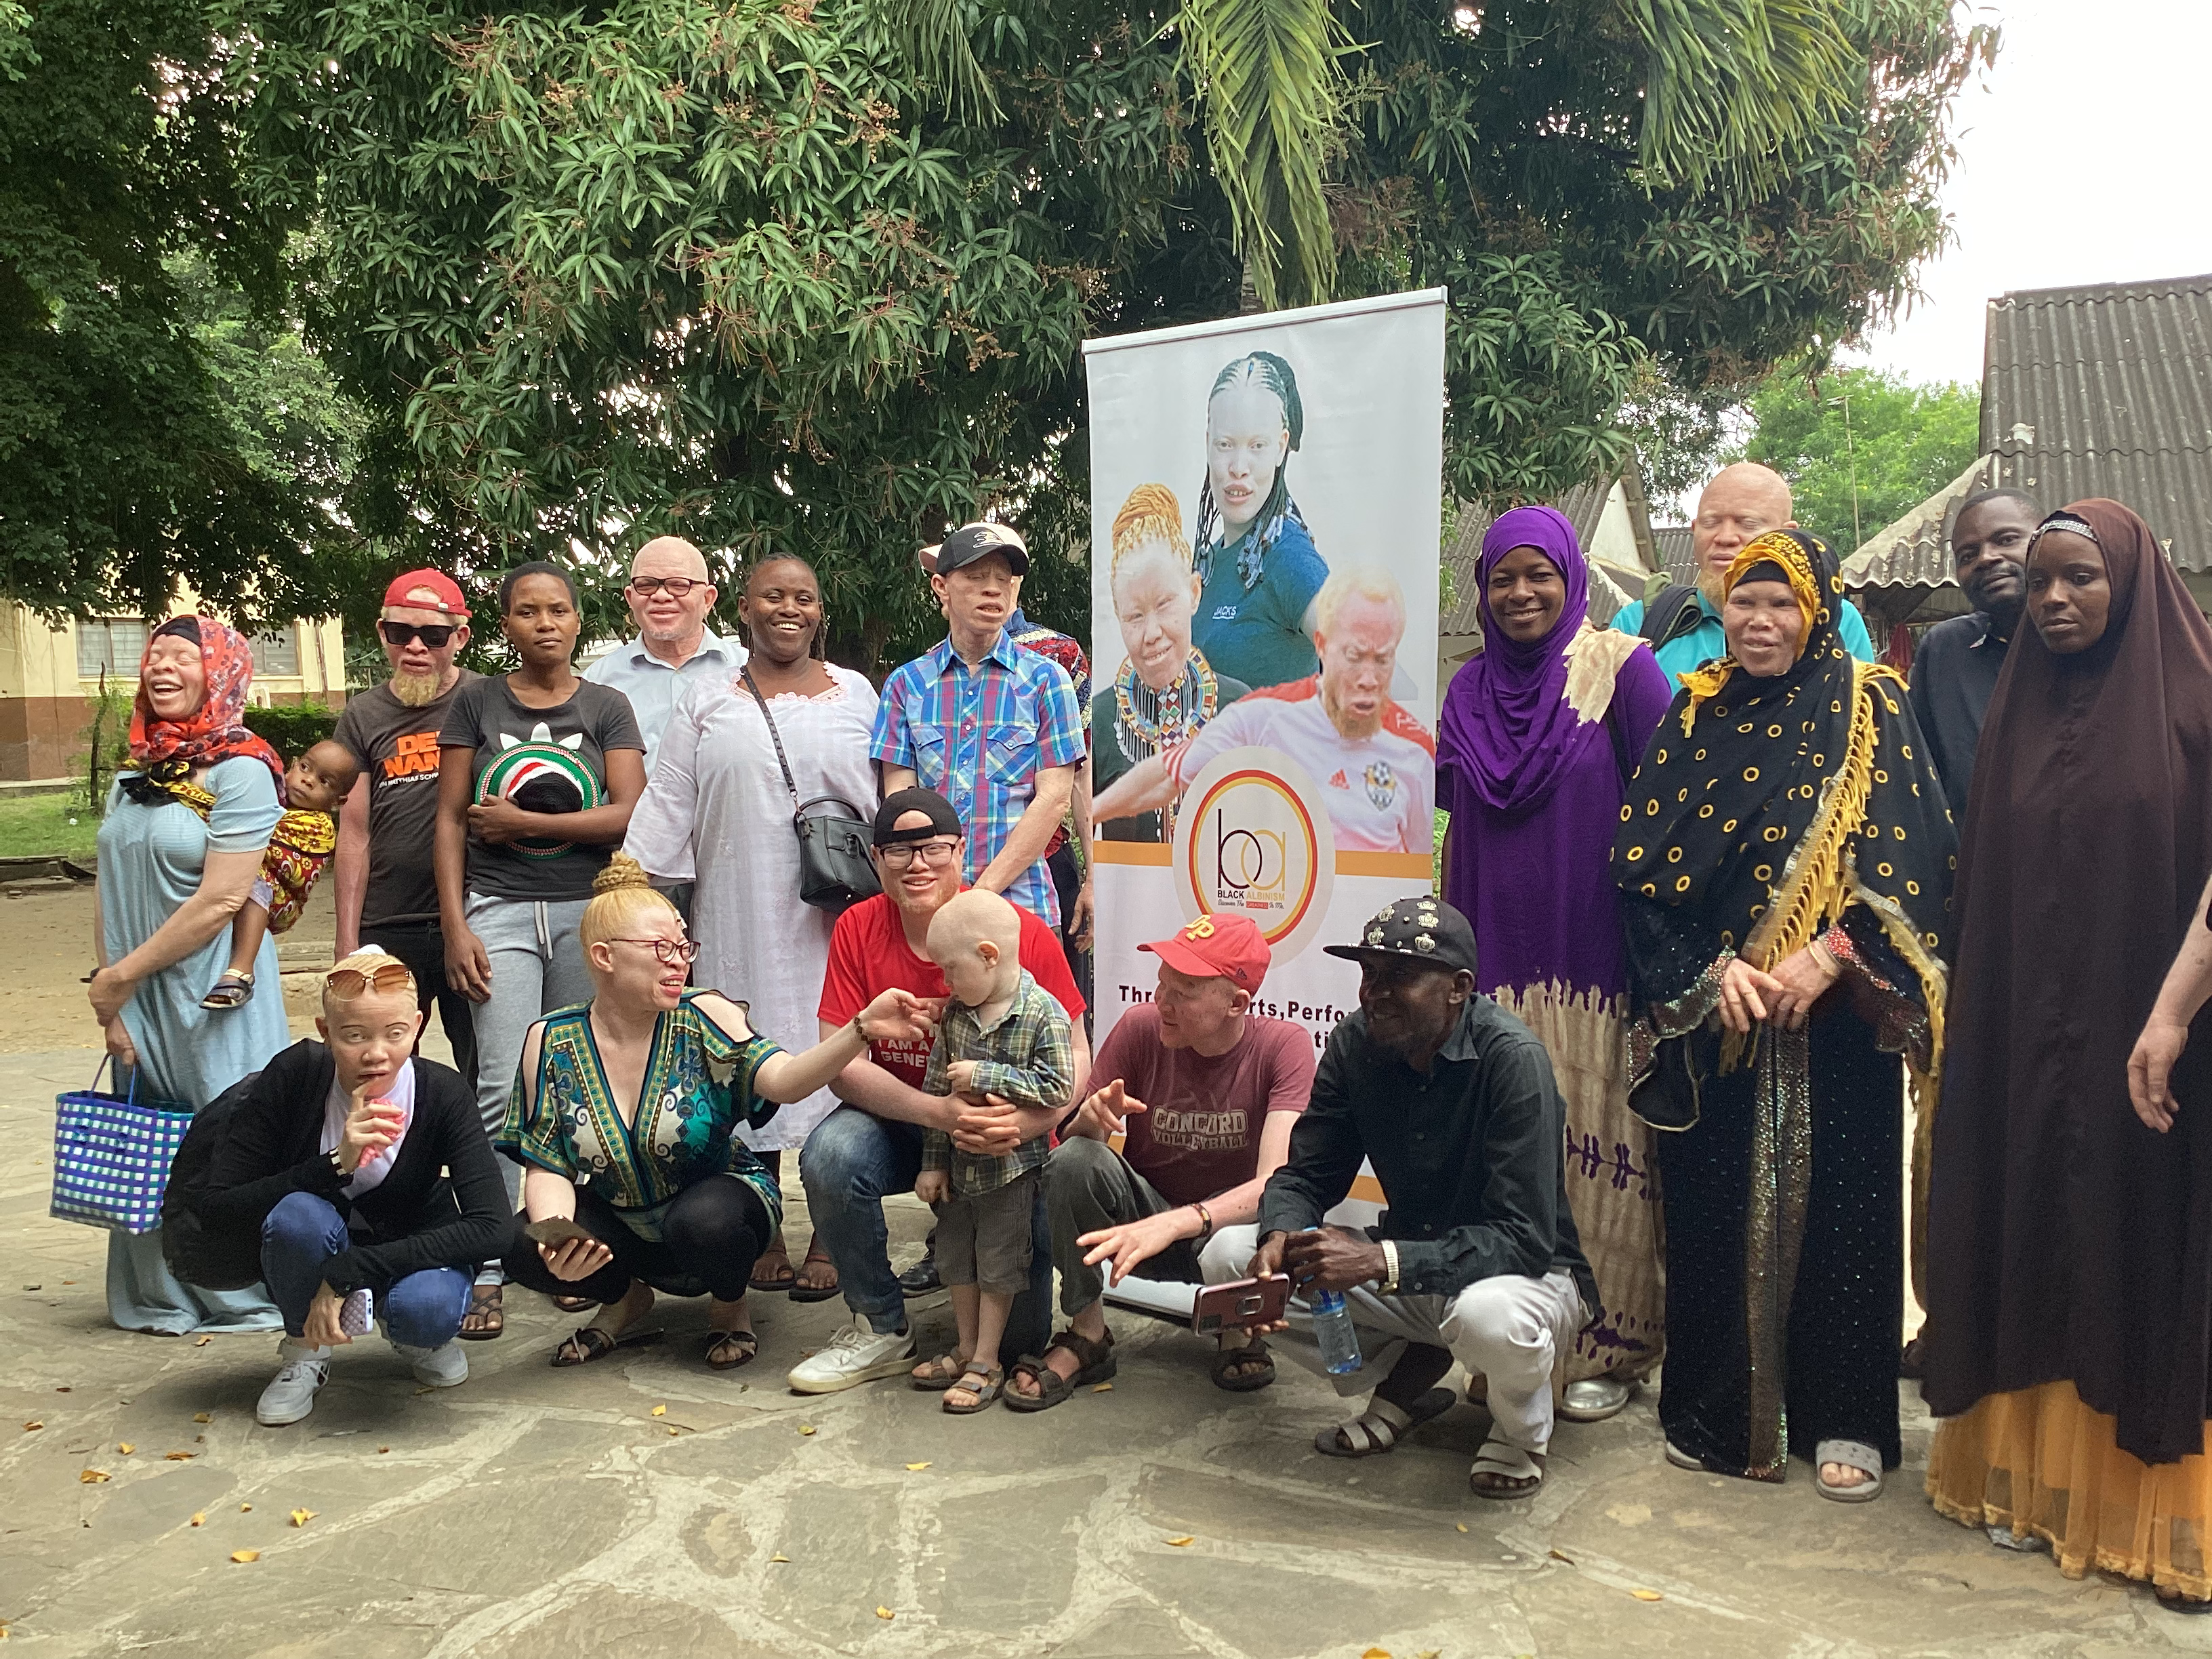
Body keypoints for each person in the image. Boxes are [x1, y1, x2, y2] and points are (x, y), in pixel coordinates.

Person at [1612, 528, 1953, 1501]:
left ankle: (1845, 1416)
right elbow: (1643, 877)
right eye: (1744, 603)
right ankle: (1717, 1414)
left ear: (1817, 612)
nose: (1761, 623)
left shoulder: (1868, 705)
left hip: (1836, 1019)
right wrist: (1713, 971)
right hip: (1724, 1018)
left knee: (1846, 1218)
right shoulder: (1695, 715)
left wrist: (1832, 955)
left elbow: (1916, 860)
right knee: (1713, 1217)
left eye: (1783, 605)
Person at [1923, 501, 2212, 1610]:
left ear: (2130, 580)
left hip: (2162, 1039)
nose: (2050, 597)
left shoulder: (2191, 698)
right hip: (2028, 1033)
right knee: (2037, 1218)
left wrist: (2175, 1007)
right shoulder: (2015, 711)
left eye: (2077, 577)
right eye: (2038, 580)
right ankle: (2032, 1488)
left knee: (2138, 1236)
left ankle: (2158, 1509)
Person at [1206, 897, 1599, 1497]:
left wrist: (1381, 1261)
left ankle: (1522, 1434)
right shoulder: (1357, 1044)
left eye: (1400, 976)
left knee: (1486, 1318)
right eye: (1369, 975)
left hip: (1530, 1279)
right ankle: (1406, 1378)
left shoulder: (1511, 1060)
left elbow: (1524, 1239)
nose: (1375, 993)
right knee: (1231, 1257)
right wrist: (1278, 1235)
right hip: (1417, 1269)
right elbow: (1308, 1172)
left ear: (1458, 989)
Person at [497, 857, 933, 1368]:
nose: (679, 962)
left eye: (684, 946)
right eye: (661, 949)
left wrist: (859, 1029)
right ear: (604, 956)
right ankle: (623, 1301)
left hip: (717, 1207)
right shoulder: (551, 1039)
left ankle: (730, 1307)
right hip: (621, 1219)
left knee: (706, 1221)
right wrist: (558, 1238)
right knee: (518, 1240)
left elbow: (787, 1082)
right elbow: (544, 1160)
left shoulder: (705, 1015)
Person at [1436, 505, 1673, 1423]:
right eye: (1504, 579)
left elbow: (1669, 817)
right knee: (1506, 1158)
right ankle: (1510, 1343)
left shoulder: (1624, 670)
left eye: (1540, 575)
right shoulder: (1468, 692)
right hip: (1494, 960)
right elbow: (1444, 801)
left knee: (1602, 1153)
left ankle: (1612, 1347)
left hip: (1593, 962)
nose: (1523, 593)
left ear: (1572, 578)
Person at [623, 552, 878, 1305]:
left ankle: (831, 1229)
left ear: (820, 611)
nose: (789, 608)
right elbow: (668, 806)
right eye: (774, 596)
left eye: (805, 596)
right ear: (743, 608)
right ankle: (763, 1224)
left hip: (837, 919)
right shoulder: (707, 700)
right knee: (740, 1053)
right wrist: (629, 896)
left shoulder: (857, 695)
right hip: (732, 915)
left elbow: (887, 798)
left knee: (833, 1050)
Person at [791, 789, 1091, 1394]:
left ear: (960, 851)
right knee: (830, 1155)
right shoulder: (858, 927)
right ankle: (879, 1324)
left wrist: (1028, 1126)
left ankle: (979, 1346)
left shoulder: (1015, 931)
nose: (918, 864)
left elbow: (1078, 1054)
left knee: (1019, 1341)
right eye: (899, 851)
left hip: (1006, 1141)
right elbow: (841, 1063)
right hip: (905, 1123)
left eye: (932, 848)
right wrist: (941, 1115)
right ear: (876, 861)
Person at [436, 560, 647, 1338]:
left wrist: (526, 825)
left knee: (571, 1085)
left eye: (559, 609)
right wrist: (456, 924)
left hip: (582, 916)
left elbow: (627, 814)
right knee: (499, 1081)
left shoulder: (607, 706)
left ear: (578, 620)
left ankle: (567, 1251)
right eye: (528, 612)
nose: (545, 623)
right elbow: (451, 818)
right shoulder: (475, 700)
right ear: (507, 625)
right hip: (494, 910)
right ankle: (493, 1256)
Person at [191, 949, 512, 1425]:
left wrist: (349, 1271)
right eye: (354, 1036)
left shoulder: (442, 1092)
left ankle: (411, 1334)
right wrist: (333, 1163)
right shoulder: (296, 1077)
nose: (376, 1054)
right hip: (315, 1243)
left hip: (405, 1245)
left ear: (419, 1026)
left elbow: (494, 1227)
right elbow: (217, 1208)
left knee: (426, 1310)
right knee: (298, 1214)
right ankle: (305, 1350)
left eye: (395, 1034)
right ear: (325, 1032)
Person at [1007, 912, 1311, 1411]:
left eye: (1184, 992)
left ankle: (1236, 1327)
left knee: (1258, 1219)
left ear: (1237, 1004)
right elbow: (1077, 1149)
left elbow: (1274, 1181)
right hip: (1142, 1227)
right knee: (1074, 1160)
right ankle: (1089, 1335)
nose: (1161, 1002)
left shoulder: (1283, 1046)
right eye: (1161, 984)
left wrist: (1181, 1222)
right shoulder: (1140, 1028)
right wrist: (1091, 1118)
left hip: (1224, 1235)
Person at [90, 616, 291, 1335]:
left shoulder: (243, 769)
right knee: (149, 1140)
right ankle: (162, 1294)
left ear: (222, 672)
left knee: (226, 1140)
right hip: (139, 995)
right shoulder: (131, 777)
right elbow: (108, 892)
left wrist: (123, 976)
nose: (163, 669)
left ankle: (239, 1284)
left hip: (216, 997)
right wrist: (109, 996)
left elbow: (221, 901)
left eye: (183, 657)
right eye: (155, 657)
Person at [1093, 564, 1433, 853]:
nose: (1368, 678)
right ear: (1323, 647)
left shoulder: (1415, 749)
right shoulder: (1262, 717)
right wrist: (1089, 814)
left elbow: (1415, 866)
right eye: (1354, 657)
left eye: (1383, 659)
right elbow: (1167, 775)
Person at [908, 890, 1076, 1412]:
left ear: (988, 955)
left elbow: (1058, 1087)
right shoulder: (957, 1015)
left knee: (1000, 1263)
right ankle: (963, 1346)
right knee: (957, 1259)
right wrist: (933, 1161)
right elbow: (939, 1090)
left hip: (1011, 1174)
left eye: (950, 970)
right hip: (959, 1171)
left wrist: (986, 1074)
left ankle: (988, 1357)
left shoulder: (1043, 1013)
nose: (945, 984)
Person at [872, 521, 1084, 931]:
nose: (993, 589)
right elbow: (900, 804)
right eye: (975, 577)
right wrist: (937, 894)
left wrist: (979, 897)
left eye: (1003, 579)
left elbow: (1053, 800)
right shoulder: (906, 685)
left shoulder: (1047, 680)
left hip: (1024, 913)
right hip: (927, 914)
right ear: (941, 587)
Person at [333, 569, 483, 1086]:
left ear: (460, 638)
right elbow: (353, 833)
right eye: (401, 633)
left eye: (433, 635)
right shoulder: (362, 715)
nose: (415, 647)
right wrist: (347, 941)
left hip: (471, 920)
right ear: (382, 634)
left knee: (486, 1070)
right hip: (388, 925)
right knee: (380, 1073)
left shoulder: (487, 702)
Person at [1611, 463, 1875, 687]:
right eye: (1710, 523)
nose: (1724, 538)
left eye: (1747, 524)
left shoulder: (1835, 621)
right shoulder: (1639, 624)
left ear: (1788, 534)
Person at [1092, 483, 1251, 843]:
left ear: (1194, 593)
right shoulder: (1100, 719)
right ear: (1117, 615)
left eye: (1165, 605)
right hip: (1128, 901)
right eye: (1134, 616)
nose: (1152, 633)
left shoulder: (1238, 707)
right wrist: (1090, 880)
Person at [1189, 350, 1329, 692]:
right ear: (1208, 443)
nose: (1239, 466)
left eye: (1257, 445)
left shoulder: (1288, 557)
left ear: (1281, 448)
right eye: (1225, 444)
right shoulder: (1207, 562)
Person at [1905, 488, 2039, 813]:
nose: (1986, 558)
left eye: (2006, 540)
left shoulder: (2091, 641)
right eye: (1968, 555)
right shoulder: (1945, 650)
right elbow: (1921, 773)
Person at [201, 740, 360, 1009]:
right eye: (306, 768)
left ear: (338, 802)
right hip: (236, 891)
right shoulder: (268, 796)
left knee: (254, 880)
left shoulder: (317, 826)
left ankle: (241, 970)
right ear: (292, 764)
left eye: (324, 781)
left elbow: (259, 837)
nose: (308, 781)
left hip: (278, 902)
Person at [582, 535, 745, 768]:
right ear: (630, 597)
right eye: (646, 585)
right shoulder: (599, 683)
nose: (660, 596)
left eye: (679, 585)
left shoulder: (748, 672)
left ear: (708, 599)